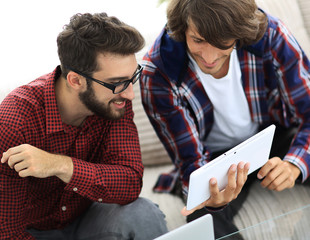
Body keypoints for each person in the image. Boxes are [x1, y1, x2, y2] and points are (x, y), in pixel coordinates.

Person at [140, 0, 310, 238]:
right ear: (183, 31)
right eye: (198, 40)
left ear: (238, 33)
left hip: (273, 137)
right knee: (203, 220)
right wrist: (214, 201)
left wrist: (294, 164)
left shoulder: (271, 35)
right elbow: (190, 160)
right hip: (213, 161)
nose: (208, 57)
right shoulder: (158, 72)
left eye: (222, 43)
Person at [0, 12, 168, 240]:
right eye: (117, 83)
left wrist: (61, 165)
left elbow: (129, 183)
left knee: (143, 213)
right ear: (76, 81)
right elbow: (7, 231)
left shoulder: (115, 102)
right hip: (32, 232)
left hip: (86, 220)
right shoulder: (15, 121)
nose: (129, 94)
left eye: (132, 78)